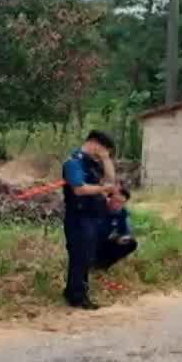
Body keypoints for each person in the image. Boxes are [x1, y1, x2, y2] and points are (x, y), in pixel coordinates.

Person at [61, 131, 120, 309]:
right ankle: (77, 297)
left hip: (93, 216)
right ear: (94, 144)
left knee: (87, 256)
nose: (103, 155)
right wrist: (102, 188)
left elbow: (111, 180)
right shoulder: (74, 163)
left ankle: (76, 291)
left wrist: (106, 160)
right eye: (103, 151)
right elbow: (79, 189)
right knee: (80, 255)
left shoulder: (92, 163)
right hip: (78, 217)